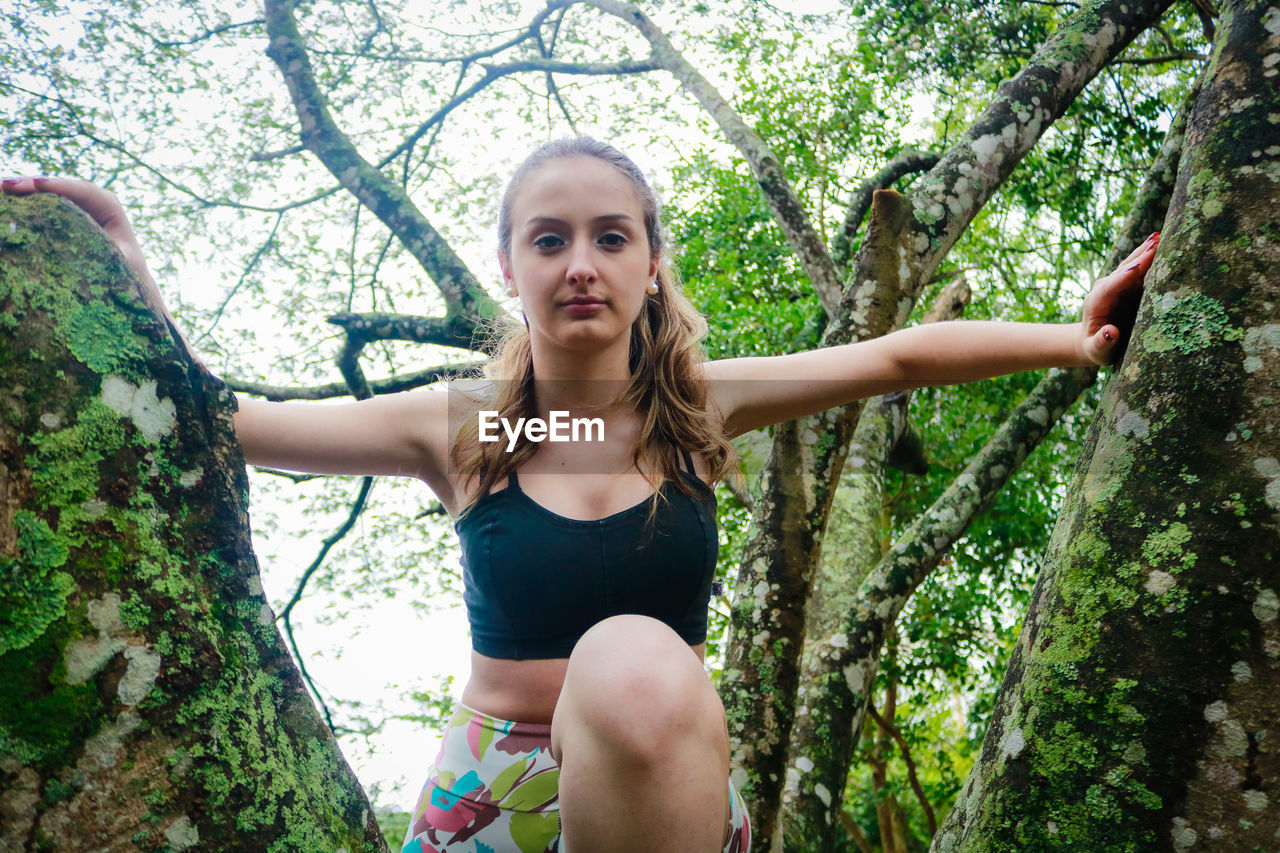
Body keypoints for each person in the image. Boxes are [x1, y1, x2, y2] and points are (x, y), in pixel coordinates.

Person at [2, 138, 1157, 853]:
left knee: (635, 656)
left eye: (611, 237)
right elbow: (226, 426)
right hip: (489, 795)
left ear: (651, 259)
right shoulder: (465, 428)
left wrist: (1081, 337)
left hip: (662, 786)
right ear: (508, 266)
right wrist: (122, 257)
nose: (580, 264)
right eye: (546, 240)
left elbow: (899, 356)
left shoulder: (696, 408)